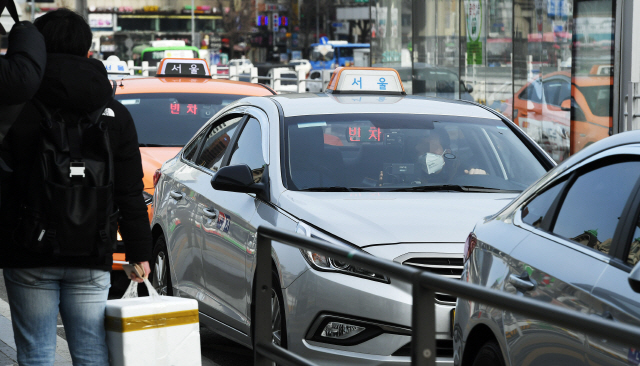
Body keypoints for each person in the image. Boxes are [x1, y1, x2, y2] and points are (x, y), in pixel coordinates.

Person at [0, 9, 152, 365]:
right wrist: (138, 251)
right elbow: (129, 190)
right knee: (90, 351)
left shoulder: (16, 109)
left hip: (28, 252)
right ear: (88, 51)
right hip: (92, 248)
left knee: (36, 351)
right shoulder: (115, 113)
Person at [414, 128, 487, 180]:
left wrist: (482, 177)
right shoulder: (405, 173)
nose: (428, 152)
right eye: (423, 147)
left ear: (446, 152)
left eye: (434, 147)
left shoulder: (462, 171)